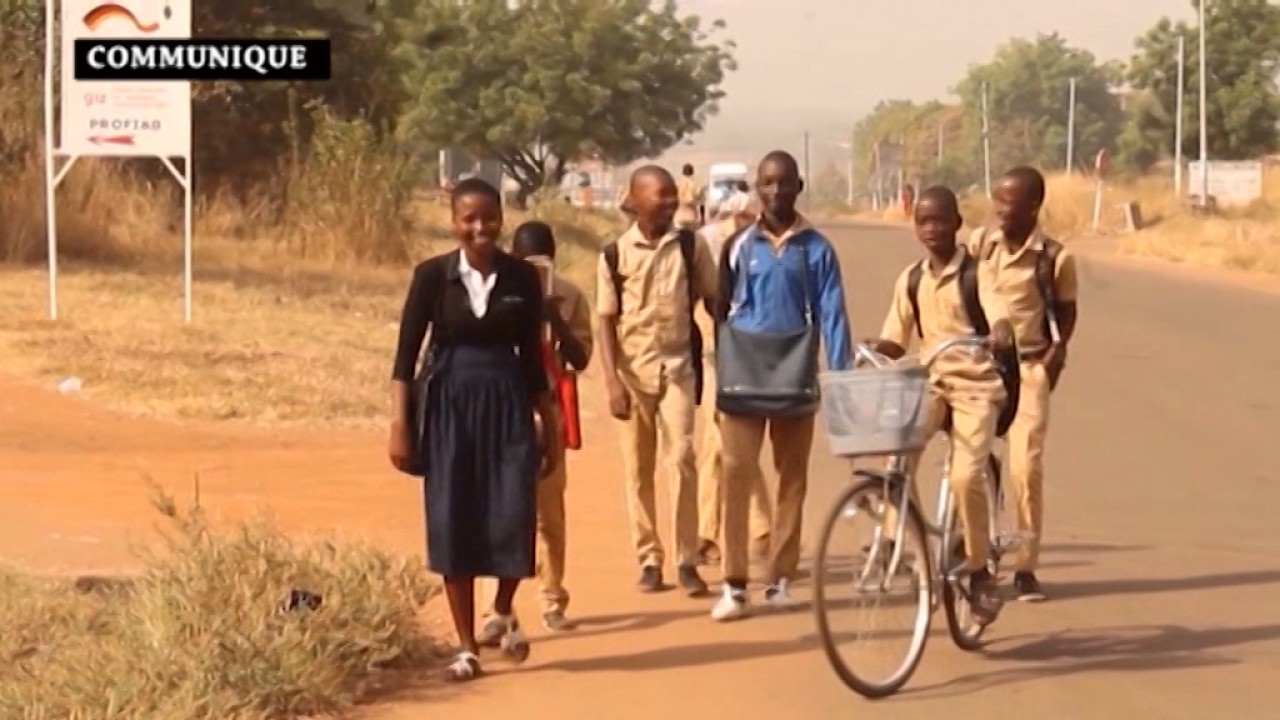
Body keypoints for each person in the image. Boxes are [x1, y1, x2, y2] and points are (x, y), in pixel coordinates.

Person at [388, 178, 559, 682]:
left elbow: (533, 361)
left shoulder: (522, 278)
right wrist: (400, 425)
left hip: (507, 405)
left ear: (502, 219)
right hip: (449, 408)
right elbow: (404, 359)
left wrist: (549, 426)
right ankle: (466, 648)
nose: (480, 228)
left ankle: (502, 606)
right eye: (469, 219)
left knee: (514, 512)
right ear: (454, 222)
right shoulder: (432, 277)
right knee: (453, 517)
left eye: (489, 218)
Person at [711, 151, 854, 621]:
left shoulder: (816, 249)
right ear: (757, 187)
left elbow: (833, 316)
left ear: (799, 187)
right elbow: (720, 311)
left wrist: (841, 379)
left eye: (784, 183)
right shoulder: (738, 246)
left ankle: (780, 580)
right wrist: (722, 370)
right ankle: (734, 584)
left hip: (795, 372)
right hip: (745, 372)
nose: (775, 192)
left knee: (792, 478)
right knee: (736, 473)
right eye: (767, 183)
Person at [865, 185, 1015, 623]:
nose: (932, 229)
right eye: (924, 221)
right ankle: (902, 543)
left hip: (975, 386)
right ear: (915, 227)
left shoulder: (977, 274)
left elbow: (999, 313)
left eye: (940, 220)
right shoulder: (911, 279)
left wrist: (1001, 331)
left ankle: (979, 568)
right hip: (932, 384)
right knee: (898, 455)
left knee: (966, 475)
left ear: (957, 223)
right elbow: (896, 338)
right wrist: (875, 347)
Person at [597, 165, 718, 596]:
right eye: (660, 195)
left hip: (678, 369)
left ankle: (687, 559)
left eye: (672, 194)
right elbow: (605, 321)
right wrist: (612, 383)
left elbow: (714, 299)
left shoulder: (690, 245)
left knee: (682, 457)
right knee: (638, 469)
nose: (670, 202)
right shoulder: (614, 255)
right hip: (633, 374)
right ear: (635, 200)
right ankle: (649, 558)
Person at [965, 165, 1079, 602]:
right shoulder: (981, 245)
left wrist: (1053, 357)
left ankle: (1026, 567)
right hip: (982, 366)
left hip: (1029, 367)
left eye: (1008, 202)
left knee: (1025, 467)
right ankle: (970, 547)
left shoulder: (1054, 257)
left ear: (1033, 206)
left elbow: (1066, 311)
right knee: (966, 461)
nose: (999, 210)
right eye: (996, 200)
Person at [476, 221, 593, 636]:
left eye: (541, 263)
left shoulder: (570, 296)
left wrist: (554, 318)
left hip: (550, 417)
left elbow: (581, 358)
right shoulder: (494, 293)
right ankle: (495, 610)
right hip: (504, 413)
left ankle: (552, 597)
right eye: (526, 263)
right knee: (498, 513)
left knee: (549, 515)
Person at [694, 203, 774, 565]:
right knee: (721, 443)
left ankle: (713, 533)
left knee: (728, 444)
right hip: (716, 354)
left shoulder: (766, 248)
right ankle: (751, 527)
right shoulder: (710, 243)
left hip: (748, 354)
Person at [676, 163, 706, 228]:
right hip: (692, 214)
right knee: (691, 232)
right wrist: (702, 219)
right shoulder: (698, 185)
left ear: (683, 172)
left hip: (679, 214)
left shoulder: (679, 184)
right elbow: (702, 204)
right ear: (692, 172)